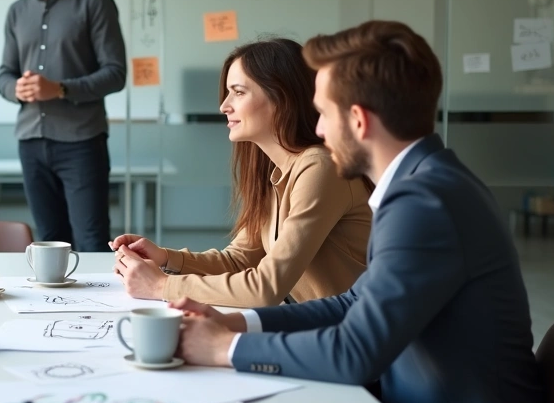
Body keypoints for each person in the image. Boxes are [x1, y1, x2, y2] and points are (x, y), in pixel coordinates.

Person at [173, 21, 546, 403]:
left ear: (358, 120)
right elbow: (354, 303)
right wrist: (239, 321)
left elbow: (356, 353)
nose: (317, 130)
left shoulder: (423, 203)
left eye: (322, 114)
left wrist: (227, 349)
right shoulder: (426, 182)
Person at [109, 39, 371, 307]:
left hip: (349, 335)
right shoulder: (275, 169)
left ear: (281, 97)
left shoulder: (320, 168)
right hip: (314, 325)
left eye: (238, 92)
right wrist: (164, 258)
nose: (224, 106)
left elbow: (265, 287)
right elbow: (239, 261)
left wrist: (160, 285)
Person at [0, 0, 127, 252]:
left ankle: (99, 309)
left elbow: (116, 74)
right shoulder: (17, 11)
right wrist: (17, 90)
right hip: (30, 144)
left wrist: (61, 89)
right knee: (49, 244)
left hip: (82, 144)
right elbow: (3, 76)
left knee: (90, 241)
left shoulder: (96, 3)